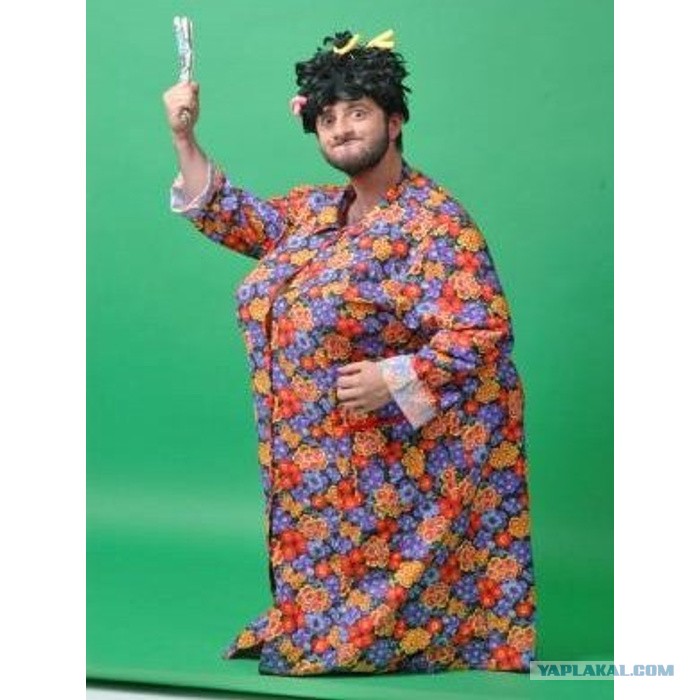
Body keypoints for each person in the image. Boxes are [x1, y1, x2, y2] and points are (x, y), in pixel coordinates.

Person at [163, 29, 537, 677]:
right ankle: (321, 621)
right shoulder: (315, 212)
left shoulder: (433, 224)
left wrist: (396, 377)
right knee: (316, 590)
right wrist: (184, 138)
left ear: (395, 121)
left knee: (365, 607)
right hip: (312, 455)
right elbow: (232, 215)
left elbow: (483, 329)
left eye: (358, 112)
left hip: (384, 455)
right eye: (327, 117)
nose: (341, 129)